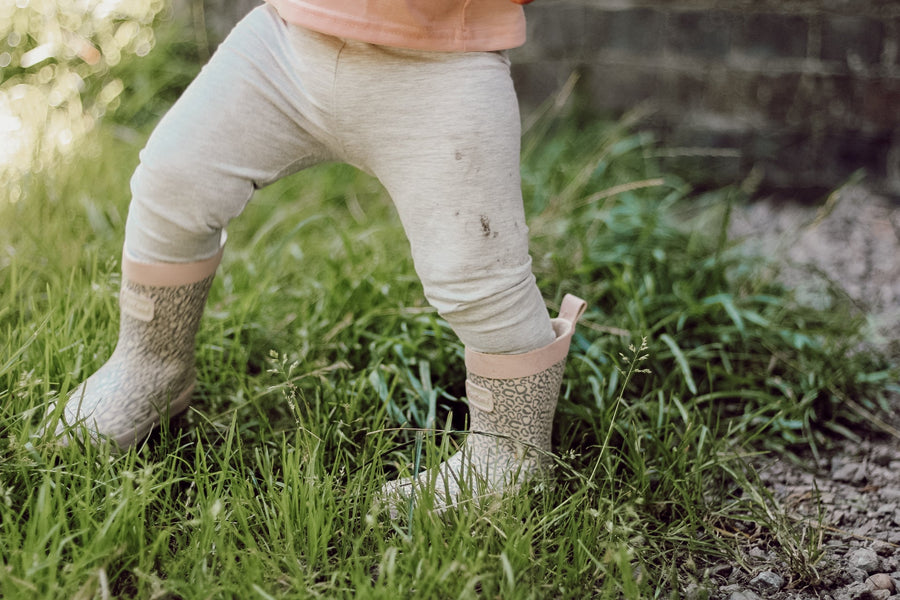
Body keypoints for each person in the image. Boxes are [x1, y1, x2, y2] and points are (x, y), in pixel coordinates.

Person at [52, 0, 586, 511]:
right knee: (175, 179)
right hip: (287, 42)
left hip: (442, 64)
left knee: (477, 275)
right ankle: (151, 362)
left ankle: (511, 454)